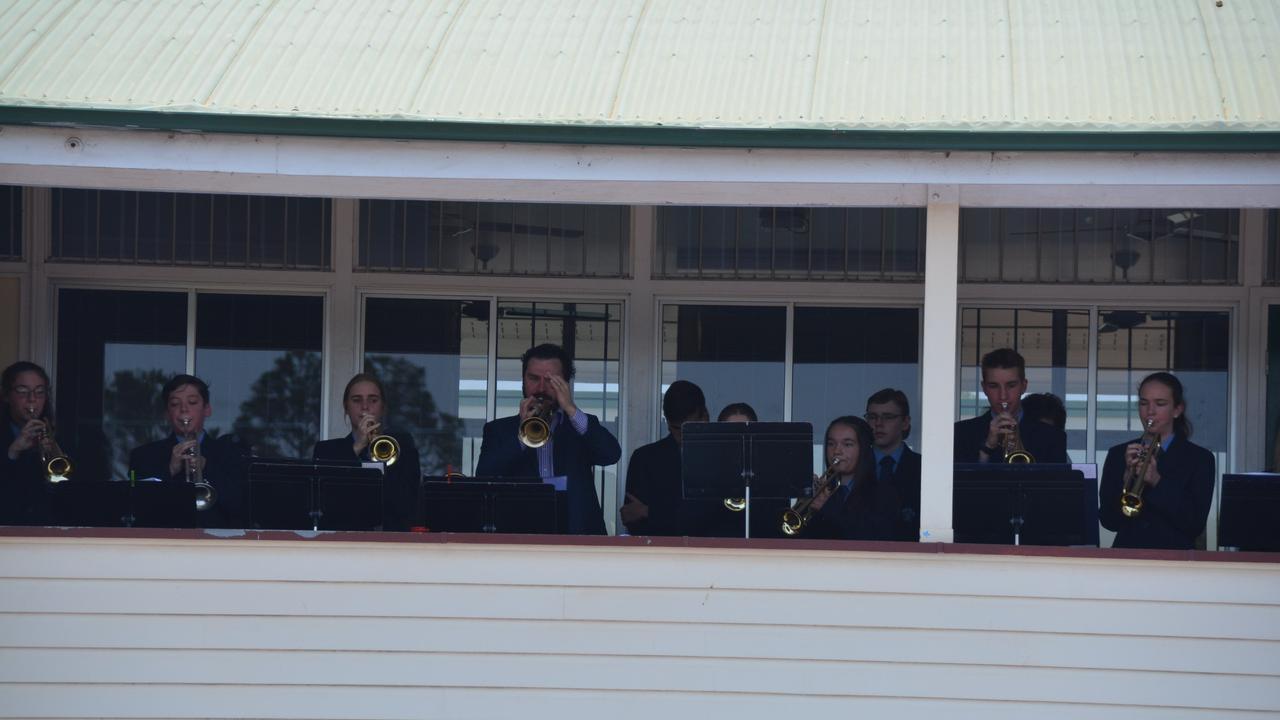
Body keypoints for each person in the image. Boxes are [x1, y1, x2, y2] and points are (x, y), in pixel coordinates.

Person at [475, 343, 621, 535]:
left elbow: (610, 455)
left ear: (565, 384)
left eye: (551, 380)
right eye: (533, 378)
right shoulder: (499, 430)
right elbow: (484, 475)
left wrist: (571, 409)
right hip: (518, 538)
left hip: (577, 538)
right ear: (523, 380)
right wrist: (521, 435)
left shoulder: (581, 424)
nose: (541, 388)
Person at [1099, 372, 1215, 550]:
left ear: (1177, 410)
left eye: (1160, 404)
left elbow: (1194, 524)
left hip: (1175, 562)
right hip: (1128, 558)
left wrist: (1157, 481)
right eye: (1144, 403)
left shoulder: (1200, 459)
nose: (1150, 411)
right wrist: (1126, 481)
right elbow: (1109, 522)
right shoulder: (1118, 454)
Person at [129, 374, 248, 529]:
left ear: (207, 409)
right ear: (166, 414)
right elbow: (136, 509)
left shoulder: (230, 453)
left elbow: (241, 506)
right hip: (164, 543)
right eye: (174, 404)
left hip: (218, 544)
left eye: (192, 402)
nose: (184, 409)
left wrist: (207, 468)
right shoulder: (143, 456)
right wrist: (169, 469)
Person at [313, 373, 422, 532]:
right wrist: (356, 448)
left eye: (373, 400)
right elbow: (328, 504)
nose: (365, 407)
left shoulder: (402, 448)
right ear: (346, 408)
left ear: (382, 407)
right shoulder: (327, 451)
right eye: (357, 400)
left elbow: (406, 504)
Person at [620, 380, 707, 536]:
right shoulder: (645, 460)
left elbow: (718, 519)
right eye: (676, 428)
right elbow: (633, 520)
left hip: (716, 555)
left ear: (704, 417)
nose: (683, 434)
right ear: (667, 421)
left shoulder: (722, 458)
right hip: (659, 555)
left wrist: (649, 512)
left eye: (689, 427)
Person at [954, 348, 1069, 464]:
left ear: (1024, 386)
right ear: (984, 388)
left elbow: (1055, 481)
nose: (1003, 396)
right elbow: (960, 481)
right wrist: (986, 448)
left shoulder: (1053, 437)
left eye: (1011, 385)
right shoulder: (960, 433)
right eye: (994, 386)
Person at [803, 416, 899, 541]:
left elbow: (874, 540)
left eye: (847, 444)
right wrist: (804, 504)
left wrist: (828, 509)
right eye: (831, 444)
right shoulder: (821, 490)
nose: (837, 451)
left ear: (863, 449)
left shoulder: (883, 494)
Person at [1, 361, 67, 524]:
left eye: (39, 392)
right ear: (6, 396)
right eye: (23, 392)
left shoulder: (58, 436)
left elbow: (66, 495)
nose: (32, 400)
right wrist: (13, 451)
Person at [865, 388, 922, 542]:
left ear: (905, 422)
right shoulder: (855, 465)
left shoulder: (923, 468)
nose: (878, 424)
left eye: (888, 417)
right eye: (872, 417)